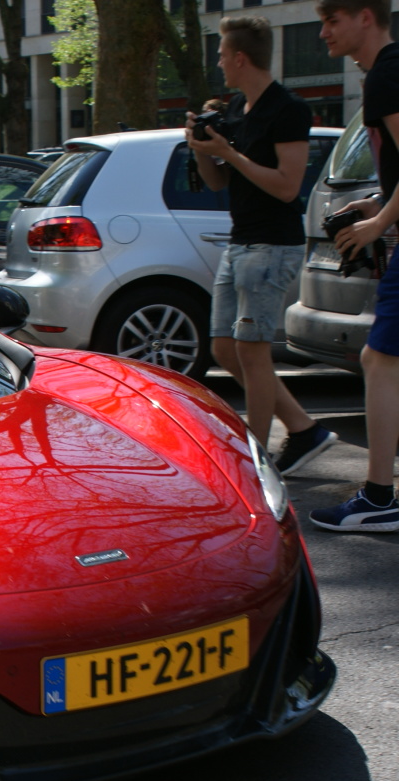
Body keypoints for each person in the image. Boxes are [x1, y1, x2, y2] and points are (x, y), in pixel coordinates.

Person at [187, 16, 336, 472]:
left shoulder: (287, 109)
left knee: (251, 350)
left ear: (240, 57)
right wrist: (200, 147)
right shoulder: (236, 107)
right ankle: (305, 430)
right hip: (242, 241)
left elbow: (288, 187)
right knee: (224, 349)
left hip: (273, 244)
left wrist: (230, 153)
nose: (218, 64)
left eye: (221, 56)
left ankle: (258, 460)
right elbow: (217, 180)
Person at [309, 0, 399, 531]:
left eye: (332, 20)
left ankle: (380, 498)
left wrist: (375, 224)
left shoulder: (386, 77)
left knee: (379, 361)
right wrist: (375, 203)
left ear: (366, 16)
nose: (322, 33)